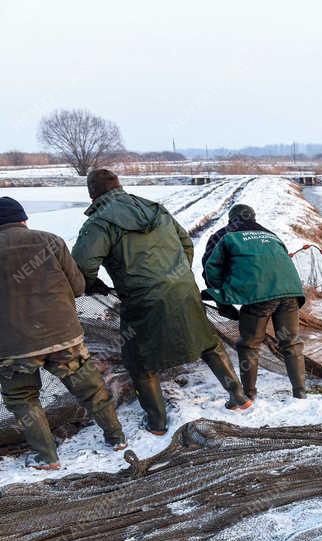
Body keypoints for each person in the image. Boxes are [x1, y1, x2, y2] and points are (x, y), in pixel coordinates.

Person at [72, 170, 252, 436]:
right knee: (208, 342)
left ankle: (157, 423)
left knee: (139, 360)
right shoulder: (156, 209)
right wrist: (178, 276)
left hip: (142, 297)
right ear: (119, 185)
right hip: (183, 289)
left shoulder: (99, 223)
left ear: (92, 193)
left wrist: (89, 284)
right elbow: (186, 244)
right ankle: (239, 397)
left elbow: (82, 265)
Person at [0, 196, 126, 469]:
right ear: (23, 220)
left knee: (23, 399)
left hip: (12, 347)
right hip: (63, 336)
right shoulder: (52, 241)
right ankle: (117, 438)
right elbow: (78, 287)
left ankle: (47, 457)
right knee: (91, 390)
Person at [202, 204, 306, 400]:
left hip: (259, 294)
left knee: (249, 345)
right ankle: (300, 393)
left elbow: (210, 266)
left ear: (230, 220)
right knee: (291, 343)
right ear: (254, 217)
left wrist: (220, 295)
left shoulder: (224, 235)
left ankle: (248, 394)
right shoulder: (270, 234)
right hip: (290, 290)